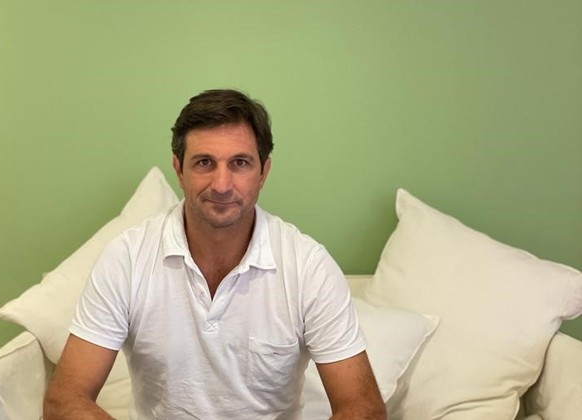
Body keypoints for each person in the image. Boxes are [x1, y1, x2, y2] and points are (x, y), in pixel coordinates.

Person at [43, 89, 387, 419]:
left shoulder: (308, 266)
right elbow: (63, 401)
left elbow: (365, 409)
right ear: (179, 170)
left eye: (240, 163)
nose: (221, 185)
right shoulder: (127, 258)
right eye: (204, 163)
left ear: (263, 173)